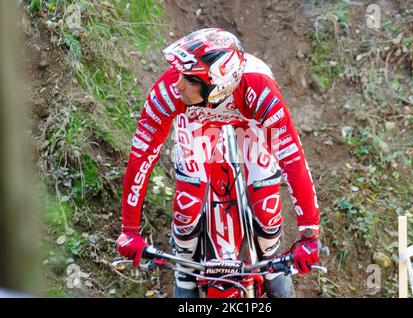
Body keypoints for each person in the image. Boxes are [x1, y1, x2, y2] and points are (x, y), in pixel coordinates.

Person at [116, 28, 321, 298]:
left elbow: (293, 161)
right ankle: (185, 275)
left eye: (189, 79)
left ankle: (272, 268)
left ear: (217, 83)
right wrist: (129, 230)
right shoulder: (169, 91)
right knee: (188, 203)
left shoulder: (259, 89)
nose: (178, 83)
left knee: (267, 206)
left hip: (251, 121)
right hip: (196, 119)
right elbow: (142, 155)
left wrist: (309, 236)